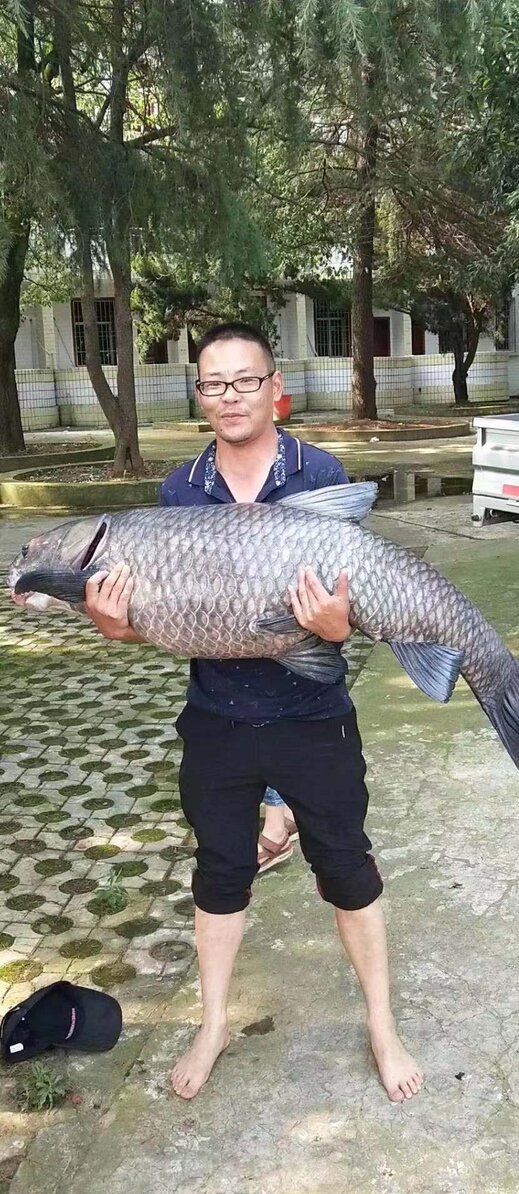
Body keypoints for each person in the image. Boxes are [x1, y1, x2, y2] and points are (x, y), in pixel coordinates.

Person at [83, 322, 424, 1105]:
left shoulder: (320, 473)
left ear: (277, 389)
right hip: (218, 718)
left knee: (347, 867)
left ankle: (381, 1021)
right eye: (214, 383)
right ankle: (212, 1023)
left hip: (313, 714)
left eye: (245, 380)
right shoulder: (179, 495)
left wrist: (342, 627)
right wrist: (117, 626)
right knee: (219, 874)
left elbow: (351, 596)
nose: (230, 396)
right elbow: (170, 622)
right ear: (199, 398)